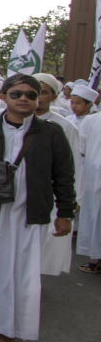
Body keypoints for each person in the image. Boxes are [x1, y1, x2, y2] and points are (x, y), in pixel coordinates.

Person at [0, 74, 76, 342]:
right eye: (16, 94)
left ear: (39, 99)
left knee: (21, 274)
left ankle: (9, 334)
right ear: (4, 96)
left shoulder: (51, 133)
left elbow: (64, 175)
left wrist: (65, 213)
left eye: (31, 95)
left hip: (28, 216)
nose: (24, 99)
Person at [32, 73, 81, 276]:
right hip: (19, 195)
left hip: (52, 195)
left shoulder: (65, 127)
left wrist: (72, 201)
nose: (38, 97)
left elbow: (74, 166)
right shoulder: (11, 121)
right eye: (34, 92)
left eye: (43, 92)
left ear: (54, 96)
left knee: (45, 247)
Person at [76, 110, 101, 273]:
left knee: (95, 217)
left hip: (93, 175)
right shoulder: (91, 120)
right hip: (93, 176)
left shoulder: (91, 120)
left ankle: (96, 260)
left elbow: (82, 149)